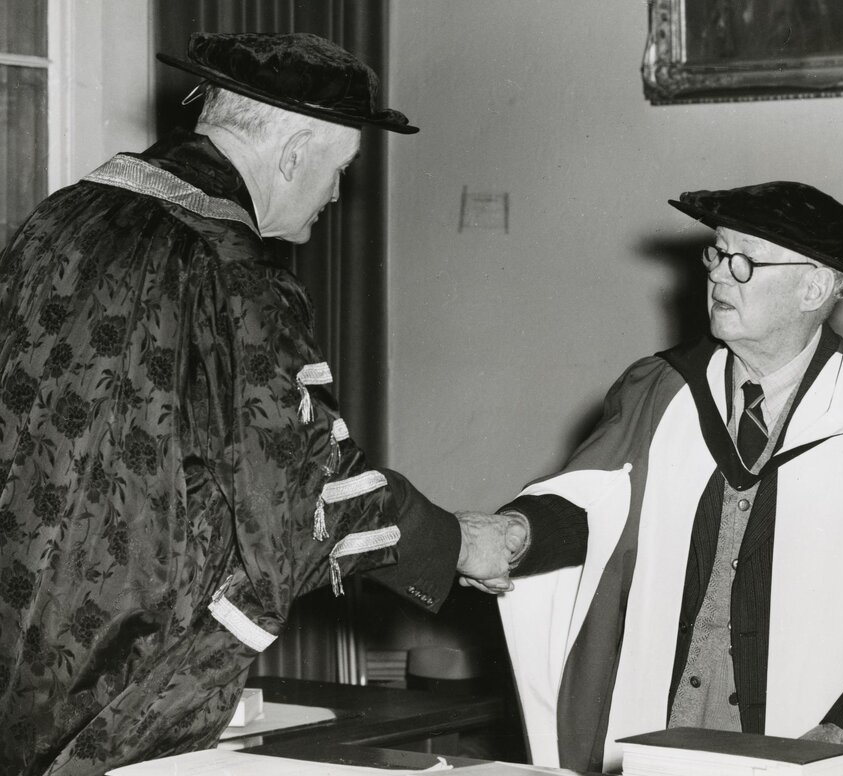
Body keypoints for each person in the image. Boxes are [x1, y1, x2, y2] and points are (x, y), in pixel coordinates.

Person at [0, 32, 525, 776]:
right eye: (339, 170)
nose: (339, 194)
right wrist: (455, 542)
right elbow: (303, 499)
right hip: (120, 674)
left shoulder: (61, 219)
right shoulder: (232, 267)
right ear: (292, 154)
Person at [482, 182, 843, 776]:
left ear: (814, 287)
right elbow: (594, 510)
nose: (720, 276)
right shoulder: (662, 389)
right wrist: (519, 530)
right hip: (660, 737)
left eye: (744, 262)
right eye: (716, 255)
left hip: (819, 744)